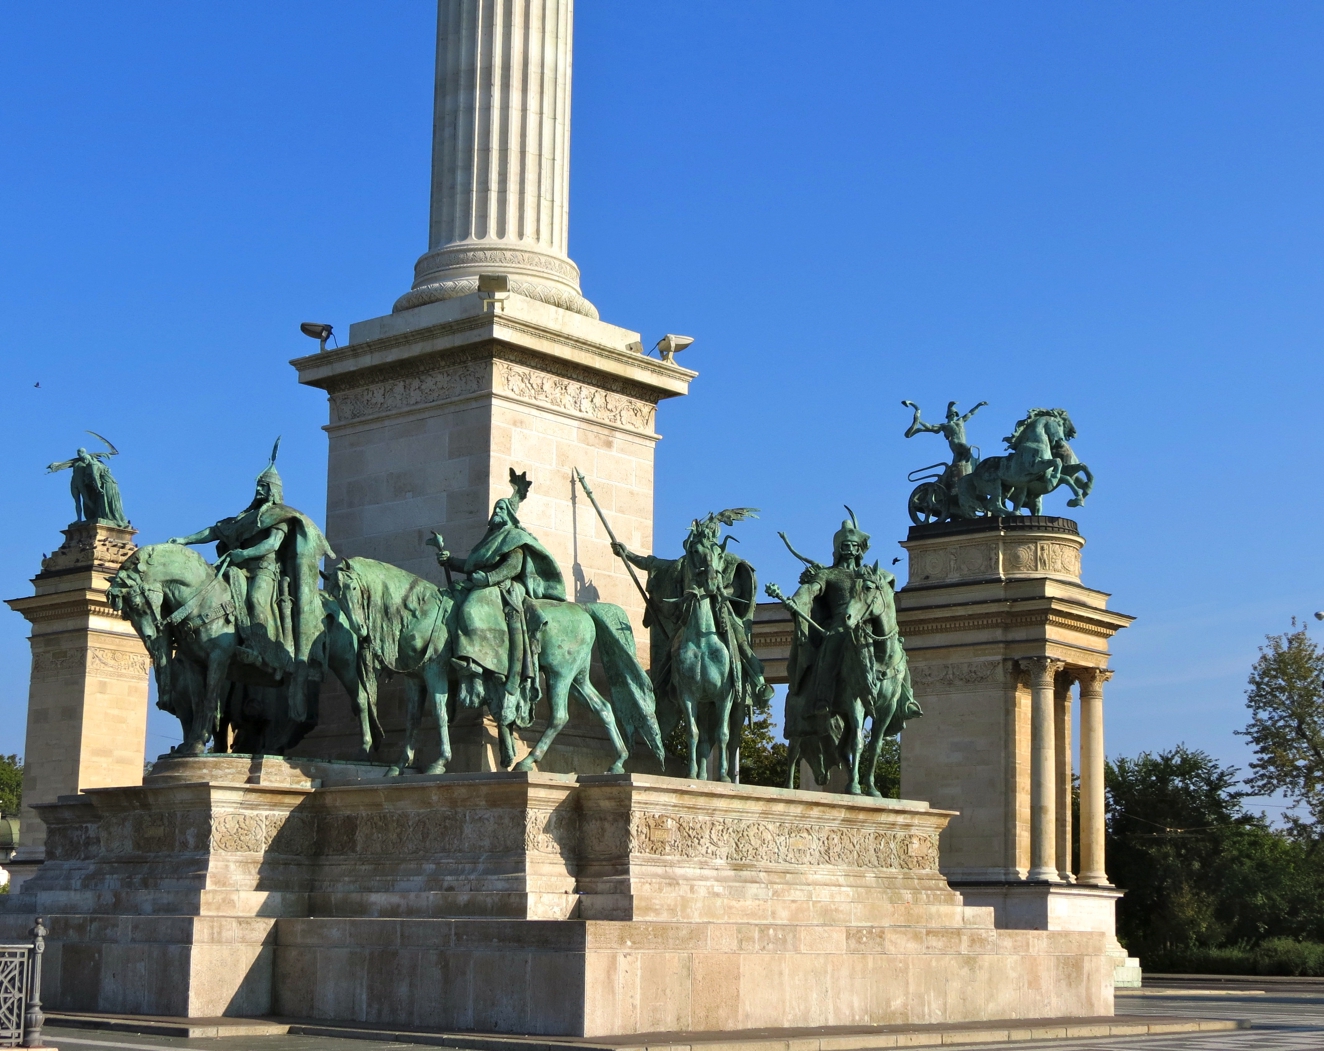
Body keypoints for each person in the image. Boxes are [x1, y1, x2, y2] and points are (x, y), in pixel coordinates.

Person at [167, 439, 332, 720]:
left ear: (274, 490)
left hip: (265, 571)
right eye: (258, 486)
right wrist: (185, 539)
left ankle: (261, 649)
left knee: (255, 600)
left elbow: (271, 545)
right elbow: (215, 531)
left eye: (264, 486)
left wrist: (244, 553)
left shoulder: (279, 515)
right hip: (237, 568)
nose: (259, 490)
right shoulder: (245, 517)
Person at [432, 469, 565, 722]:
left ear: (510, 515)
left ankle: (474, 661)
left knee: (472, 608)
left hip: (505, 586)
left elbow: (513, 566)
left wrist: (489, 579)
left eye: (502, 509)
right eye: (496, 509)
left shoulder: (514, 536)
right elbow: (472, 564)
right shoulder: (489, 539)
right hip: (483, 582)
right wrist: (450, 561)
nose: (497, 512)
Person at [611, 510, 775, 707]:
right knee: (672, 647)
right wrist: (627, 554)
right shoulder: (687, 562)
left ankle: (759, 685)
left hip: (722, 611)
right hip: (690, 614)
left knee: (742, 644)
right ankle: (659, 684)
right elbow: (653, 563)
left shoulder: (726, 558)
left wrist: (721, 592)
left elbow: (739, 586)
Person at [47, 437, 129, 527]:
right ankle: (79, 519)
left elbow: (94, 475)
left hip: (84, 484)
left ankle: (97, 513)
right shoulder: (78, 462)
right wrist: (57, 465)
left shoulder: (91, 464)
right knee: (77, 501)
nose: (80, 455)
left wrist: (97, 486)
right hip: (74, 483)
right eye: (79, 453)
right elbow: (69, 463)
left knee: (87, 500)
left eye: (81, 453)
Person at [902, 399, 987, 480]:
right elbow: (930, 427)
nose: (954, 416)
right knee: (968, 452)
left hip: (958, 445)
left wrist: (978, 405)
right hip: (956, 444)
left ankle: (954, 478)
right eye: (953, 414)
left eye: (954, 414)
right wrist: (919, 420)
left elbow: (971, 413)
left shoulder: (960, 421)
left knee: (957, 462)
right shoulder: (944, 425)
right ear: (951, 415)